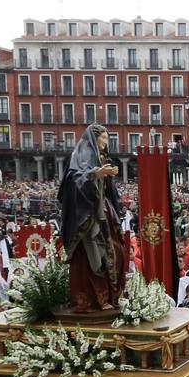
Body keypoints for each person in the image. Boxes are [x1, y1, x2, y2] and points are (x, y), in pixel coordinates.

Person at [57, 123, 126, 312]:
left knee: (118, 252)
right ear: (94, 138)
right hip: (87, 215)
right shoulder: (82, 154)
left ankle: (113, 295)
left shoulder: (101, 156)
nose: (106, 141)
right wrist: (96, 173)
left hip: (104, 211)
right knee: (95, 257)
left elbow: (106, 188)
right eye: (103, 137)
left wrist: (108, 175)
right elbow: (74, 179)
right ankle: (95, 300)